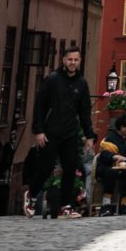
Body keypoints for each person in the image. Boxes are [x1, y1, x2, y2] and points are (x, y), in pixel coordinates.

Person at [28, 48, 95, 218]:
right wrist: (39, 131)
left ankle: (66, 206)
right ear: (63, 60)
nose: (73, 63)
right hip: (51, 132)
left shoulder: (82, 83)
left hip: (70, 132)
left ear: (79, 61)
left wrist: (89, 135)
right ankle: (31, 194)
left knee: (71, 168)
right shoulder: (52, 80)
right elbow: (40, 106)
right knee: (46, 167)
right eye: (70, 59)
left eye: (76, 60)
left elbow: (85, 111)